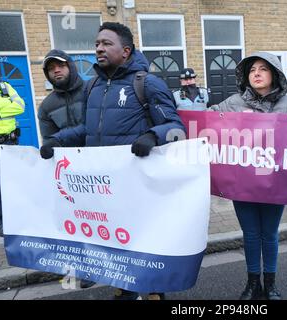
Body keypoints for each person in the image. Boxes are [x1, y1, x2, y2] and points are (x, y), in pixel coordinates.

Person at [39, 22, 185, 300]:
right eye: (97, 44)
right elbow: (88, 129)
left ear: (126, 51)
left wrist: (153, 136)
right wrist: (58, 140)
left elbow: (176, 128)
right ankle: (125, 290)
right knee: (117, 244)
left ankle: (155, 291)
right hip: (104, 188)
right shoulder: (92, 86)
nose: (99, 48)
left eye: (107, 43)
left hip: (139, 186)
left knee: (144, 243)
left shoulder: (148, 84)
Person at [212, 52, 287, 300]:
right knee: (251, 234)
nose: (257, 74)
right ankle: (253, 284)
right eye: (252, 70)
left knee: (269, 234)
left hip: (276, 182)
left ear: (275, 74)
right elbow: (205, 121)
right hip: (243, 182)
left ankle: (270, 284)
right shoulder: (232, 103)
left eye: (263, 69)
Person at [39, 49, 96, 289]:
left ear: (70, 66)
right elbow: (50, 141)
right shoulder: (45, 107)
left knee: (108, 216)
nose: (56, 71)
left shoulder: (92, 90)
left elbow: (94, 125)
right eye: (51, 69)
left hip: (101, 166)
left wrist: (60, 139)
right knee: (81, 220)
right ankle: (88, 268)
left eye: (60, 65)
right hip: (72, 174)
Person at [0, 77, 24, 238]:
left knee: (12, 181)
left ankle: (17, 216)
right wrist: (5, 105)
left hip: (9, 142)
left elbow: (20, 106)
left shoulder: (4, 86)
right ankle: (1, 221)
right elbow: (12, 106)